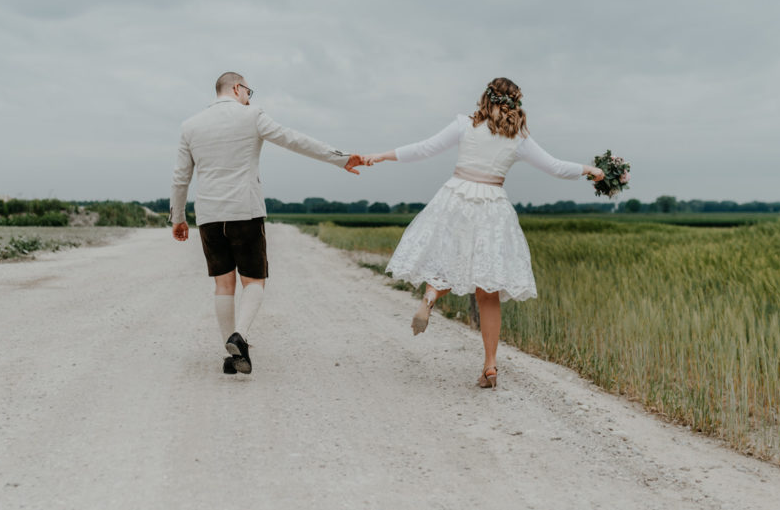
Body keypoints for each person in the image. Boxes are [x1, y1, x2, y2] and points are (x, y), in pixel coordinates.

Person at [363, 77, 604, 389]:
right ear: (516, 103)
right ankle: (490, 366)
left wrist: (380, 155)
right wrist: (591, 170)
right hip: (492, 205)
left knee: (450, 262)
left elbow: (424, 149)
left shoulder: (465, 125)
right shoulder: (518, 137)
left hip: (456, 198)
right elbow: (556, 167)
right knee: (487, 290)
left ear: (484, 98)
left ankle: (432, 294)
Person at [172, 72, 365, 375]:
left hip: (209, 215)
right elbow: (294, 140)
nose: (250, 97)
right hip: (245, 211)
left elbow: (181, 176)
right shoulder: (252, 116)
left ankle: (231, 352)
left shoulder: (190, 126)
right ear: (237, 88)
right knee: (254, 280)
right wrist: (340, 158)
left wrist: (178, 217)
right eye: (249, 91)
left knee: (223, 283)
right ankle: (240, 336)